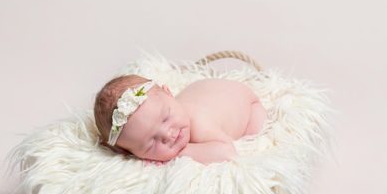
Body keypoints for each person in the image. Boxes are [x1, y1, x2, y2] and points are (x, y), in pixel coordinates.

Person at [93, 74, 267, 166]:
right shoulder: (165, 109)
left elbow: (226, 153)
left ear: (168, 92)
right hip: (208, 90)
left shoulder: (198, 122)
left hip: (247, 103)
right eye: (151, 142)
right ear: (129, 153)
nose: (168, 134)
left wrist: (178, 154)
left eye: (166, 117)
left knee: (256, 131)